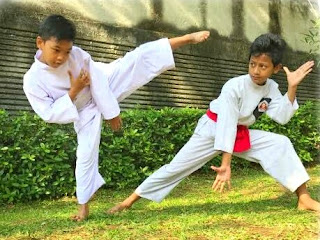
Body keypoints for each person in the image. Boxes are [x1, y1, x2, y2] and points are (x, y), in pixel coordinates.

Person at [23, 14, 210, 221]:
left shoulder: (77, 55)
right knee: (85, 154)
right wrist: (73, 91)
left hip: (103, 83)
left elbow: (97, 81)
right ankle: (83, 207)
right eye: (56, 50)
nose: (61, 57)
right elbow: (48, 113)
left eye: (66, 51)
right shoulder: (32, 80)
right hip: (82, 109)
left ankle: (186, 39)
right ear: (40, 43)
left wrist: (112, 112)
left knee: (135, 59)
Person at [107, 33, 320, 214]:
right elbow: (226, 124)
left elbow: (282, 116)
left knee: (280, 143)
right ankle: (129, 201)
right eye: (252, 64)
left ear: (276, 68)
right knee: (175, 168)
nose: (256, 71)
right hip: (211, 130)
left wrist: (292, 88)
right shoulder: (233, 86)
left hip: (240, 132)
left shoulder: (271, 88)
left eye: (263, 66)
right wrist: (225, 165)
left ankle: (303, 197)